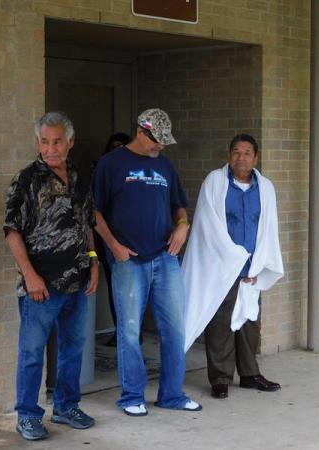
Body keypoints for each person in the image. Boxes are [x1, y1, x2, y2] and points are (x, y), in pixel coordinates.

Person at [92, 108, 201, 416]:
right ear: (141, 132)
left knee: (174, 330)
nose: (161, 147)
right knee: (128, 331)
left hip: (165, 259)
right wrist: (114, 247)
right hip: (128, 261)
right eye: (157, 141)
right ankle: (131, 397)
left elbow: (179, 207)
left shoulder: (165, 166)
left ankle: (172, 395)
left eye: (164, 142)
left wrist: (183, 226)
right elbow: (95, 213)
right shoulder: (110, 164)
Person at [4, 111, 98, 441]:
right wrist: (30, 275)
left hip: (77, 282)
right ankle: (28, 415)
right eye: (45, 142)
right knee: (32, 353)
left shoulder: (81, 176)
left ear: (69, 142)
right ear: (38, 143)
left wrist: (94, 261)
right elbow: (11, 231)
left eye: (57, 141)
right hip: (40, 286)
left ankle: (66, 406)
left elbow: (87, 224)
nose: (51, 148)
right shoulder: (27, 179)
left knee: (73, 347)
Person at [182, 134, 284, 399]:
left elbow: (269, 228)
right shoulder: (215, 182)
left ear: (256, 158)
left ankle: (250, 374)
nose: (241, 157)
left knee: (250, 323)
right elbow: (208, 225)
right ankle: (220, 377)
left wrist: (260, 265)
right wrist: (231, 258)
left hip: (252, 268)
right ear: (229, 156)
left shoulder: (266, 188)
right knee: (221, 323)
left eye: (247, 153)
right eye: (236, 152)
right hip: (221, 267)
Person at [94, 132, 131, 347]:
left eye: (121, 146)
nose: (117, 150)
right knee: (115, 290)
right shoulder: (104, 170)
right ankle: (121, 331)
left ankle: (130, 334)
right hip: (110, 243)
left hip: (134, 245)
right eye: (113, 146)